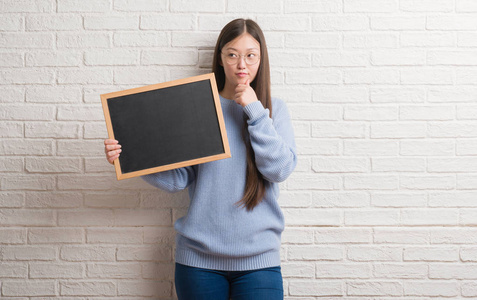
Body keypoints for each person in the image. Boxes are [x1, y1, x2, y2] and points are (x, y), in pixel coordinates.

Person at [104, 18, 297, 300]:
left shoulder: (273, 109)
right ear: (220, 59)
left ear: (260, 59)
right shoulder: (200, 105)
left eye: (250, 55)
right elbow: (178, 179)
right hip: (198, 262)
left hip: (260, 261)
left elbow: (279, 170)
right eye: (232, 54)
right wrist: (128, 159)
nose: (242, 64)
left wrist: (255, 111)